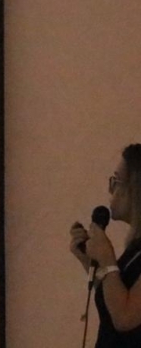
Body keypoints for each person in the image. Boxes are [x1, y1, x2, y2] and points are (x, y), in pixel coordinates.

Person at [69, 144, 141, 347]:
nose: (111, 189)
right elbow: (112, 300)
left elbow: (125, 318)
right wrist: (90, 261)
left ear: (136, 189)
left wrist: (107, 258)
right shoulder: (135, 248)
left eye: (116, 181)